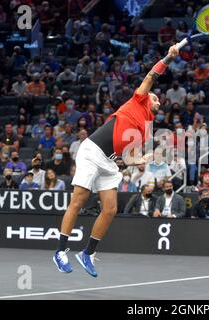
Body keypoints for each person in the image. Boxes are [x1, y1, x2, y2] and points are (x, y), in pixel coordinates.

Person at [53, 44, 180, 277]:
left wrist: (138, 159)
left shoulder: (145, 130)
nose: (157, 101)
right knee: (79, 200)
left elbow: (124, 157)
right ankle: (60, 251)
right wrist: (168, 58)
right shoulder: (137, 100)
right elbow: (151, 76)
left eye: (158, 101)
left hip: (110, 162)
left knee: (110, 209)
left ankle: (87, 253)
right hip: (92, 152)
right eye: (155, 98)